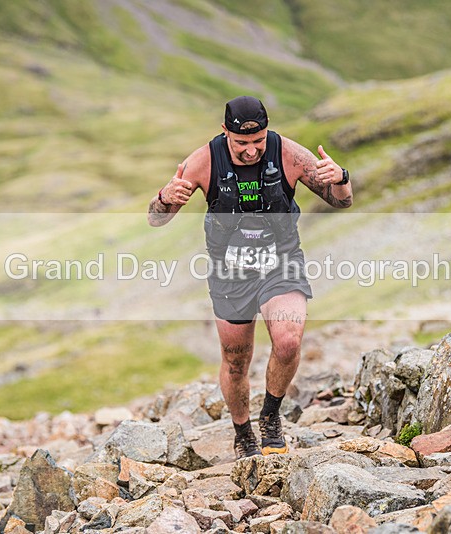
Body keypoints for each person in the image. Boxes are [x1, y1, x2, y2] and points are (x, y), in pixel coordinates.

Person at [147, 96, 352, 459]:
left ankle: (270, 418)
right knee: (236, 360)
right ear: (225, 132)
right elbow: (155, 218)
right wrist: (164, 197)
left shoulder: (289, 154)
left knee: (288, 342)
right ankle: (243, 434)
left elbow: (341, 201)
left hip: (280, 263)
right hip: (230, 273)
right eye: (242, 143)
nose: (252, 150)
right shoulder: (204, 161)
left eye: (258, 141)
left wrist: (341, 178)